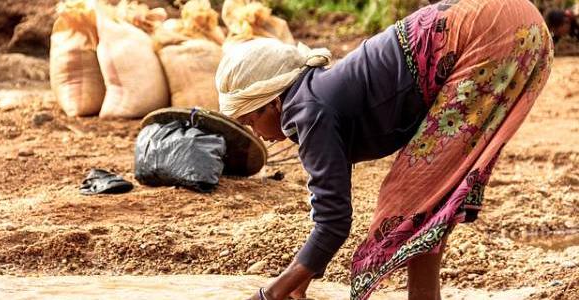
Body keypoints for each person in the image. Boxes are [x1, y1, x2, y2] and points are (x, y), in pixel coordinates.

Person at [215, 0, 554, 299]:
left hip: (489, 32)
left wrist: (272, 292)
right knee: (428, 194)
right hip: (514, 20)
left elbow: (333, 220)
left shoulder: (309, 111)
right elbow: (329, 207)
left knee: (414, 197)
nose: (257, 134)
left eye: (250, 123)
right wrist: (301, 279)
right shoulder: (316, 97)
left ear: (272, 103)